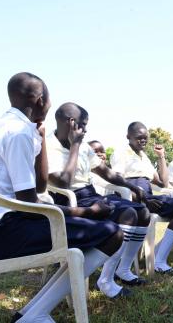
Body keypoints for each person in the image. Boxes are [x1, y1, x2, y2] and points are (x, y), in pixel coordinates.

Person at [0, 73, 123, 322]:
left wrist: (41, 137)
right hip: (6, 229)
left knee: (92, 234)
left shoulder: (9, 126)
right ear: (41, 99)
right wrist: (89, 212)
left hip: (9, 220)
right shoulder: (19, 132)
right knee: (111, 233)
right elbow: (29, 205)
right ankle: (34, 314)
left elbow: (39, 184)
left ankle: (31, 313)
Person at [47, 103, 151, 295]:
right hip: (68, 200)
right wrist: (75, 146)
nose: (86, 130)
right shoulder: (49, 146)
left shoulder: (84, 147)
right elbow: (62, 183)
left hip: (90, 194)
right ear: (72, 122)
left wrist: (132, 186)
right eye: (83, 124)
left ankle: (123, 269)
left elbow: (106, 173)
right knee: (127, 214)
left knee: (142, 212)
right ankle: (105, 282)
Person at [110, 122, 173, 273]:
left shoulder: (144, 157)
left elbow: (162, 182)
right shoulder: (121, 152)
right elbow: (119, 181)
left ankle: (157, 255)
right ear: (128, 137)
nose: (143, 141)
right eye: (139, 138)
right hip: (131, 197)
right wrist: (142, 199)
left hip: (148, 195)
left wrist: (161, 157)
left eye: (145, 138)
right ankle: (157, 261)